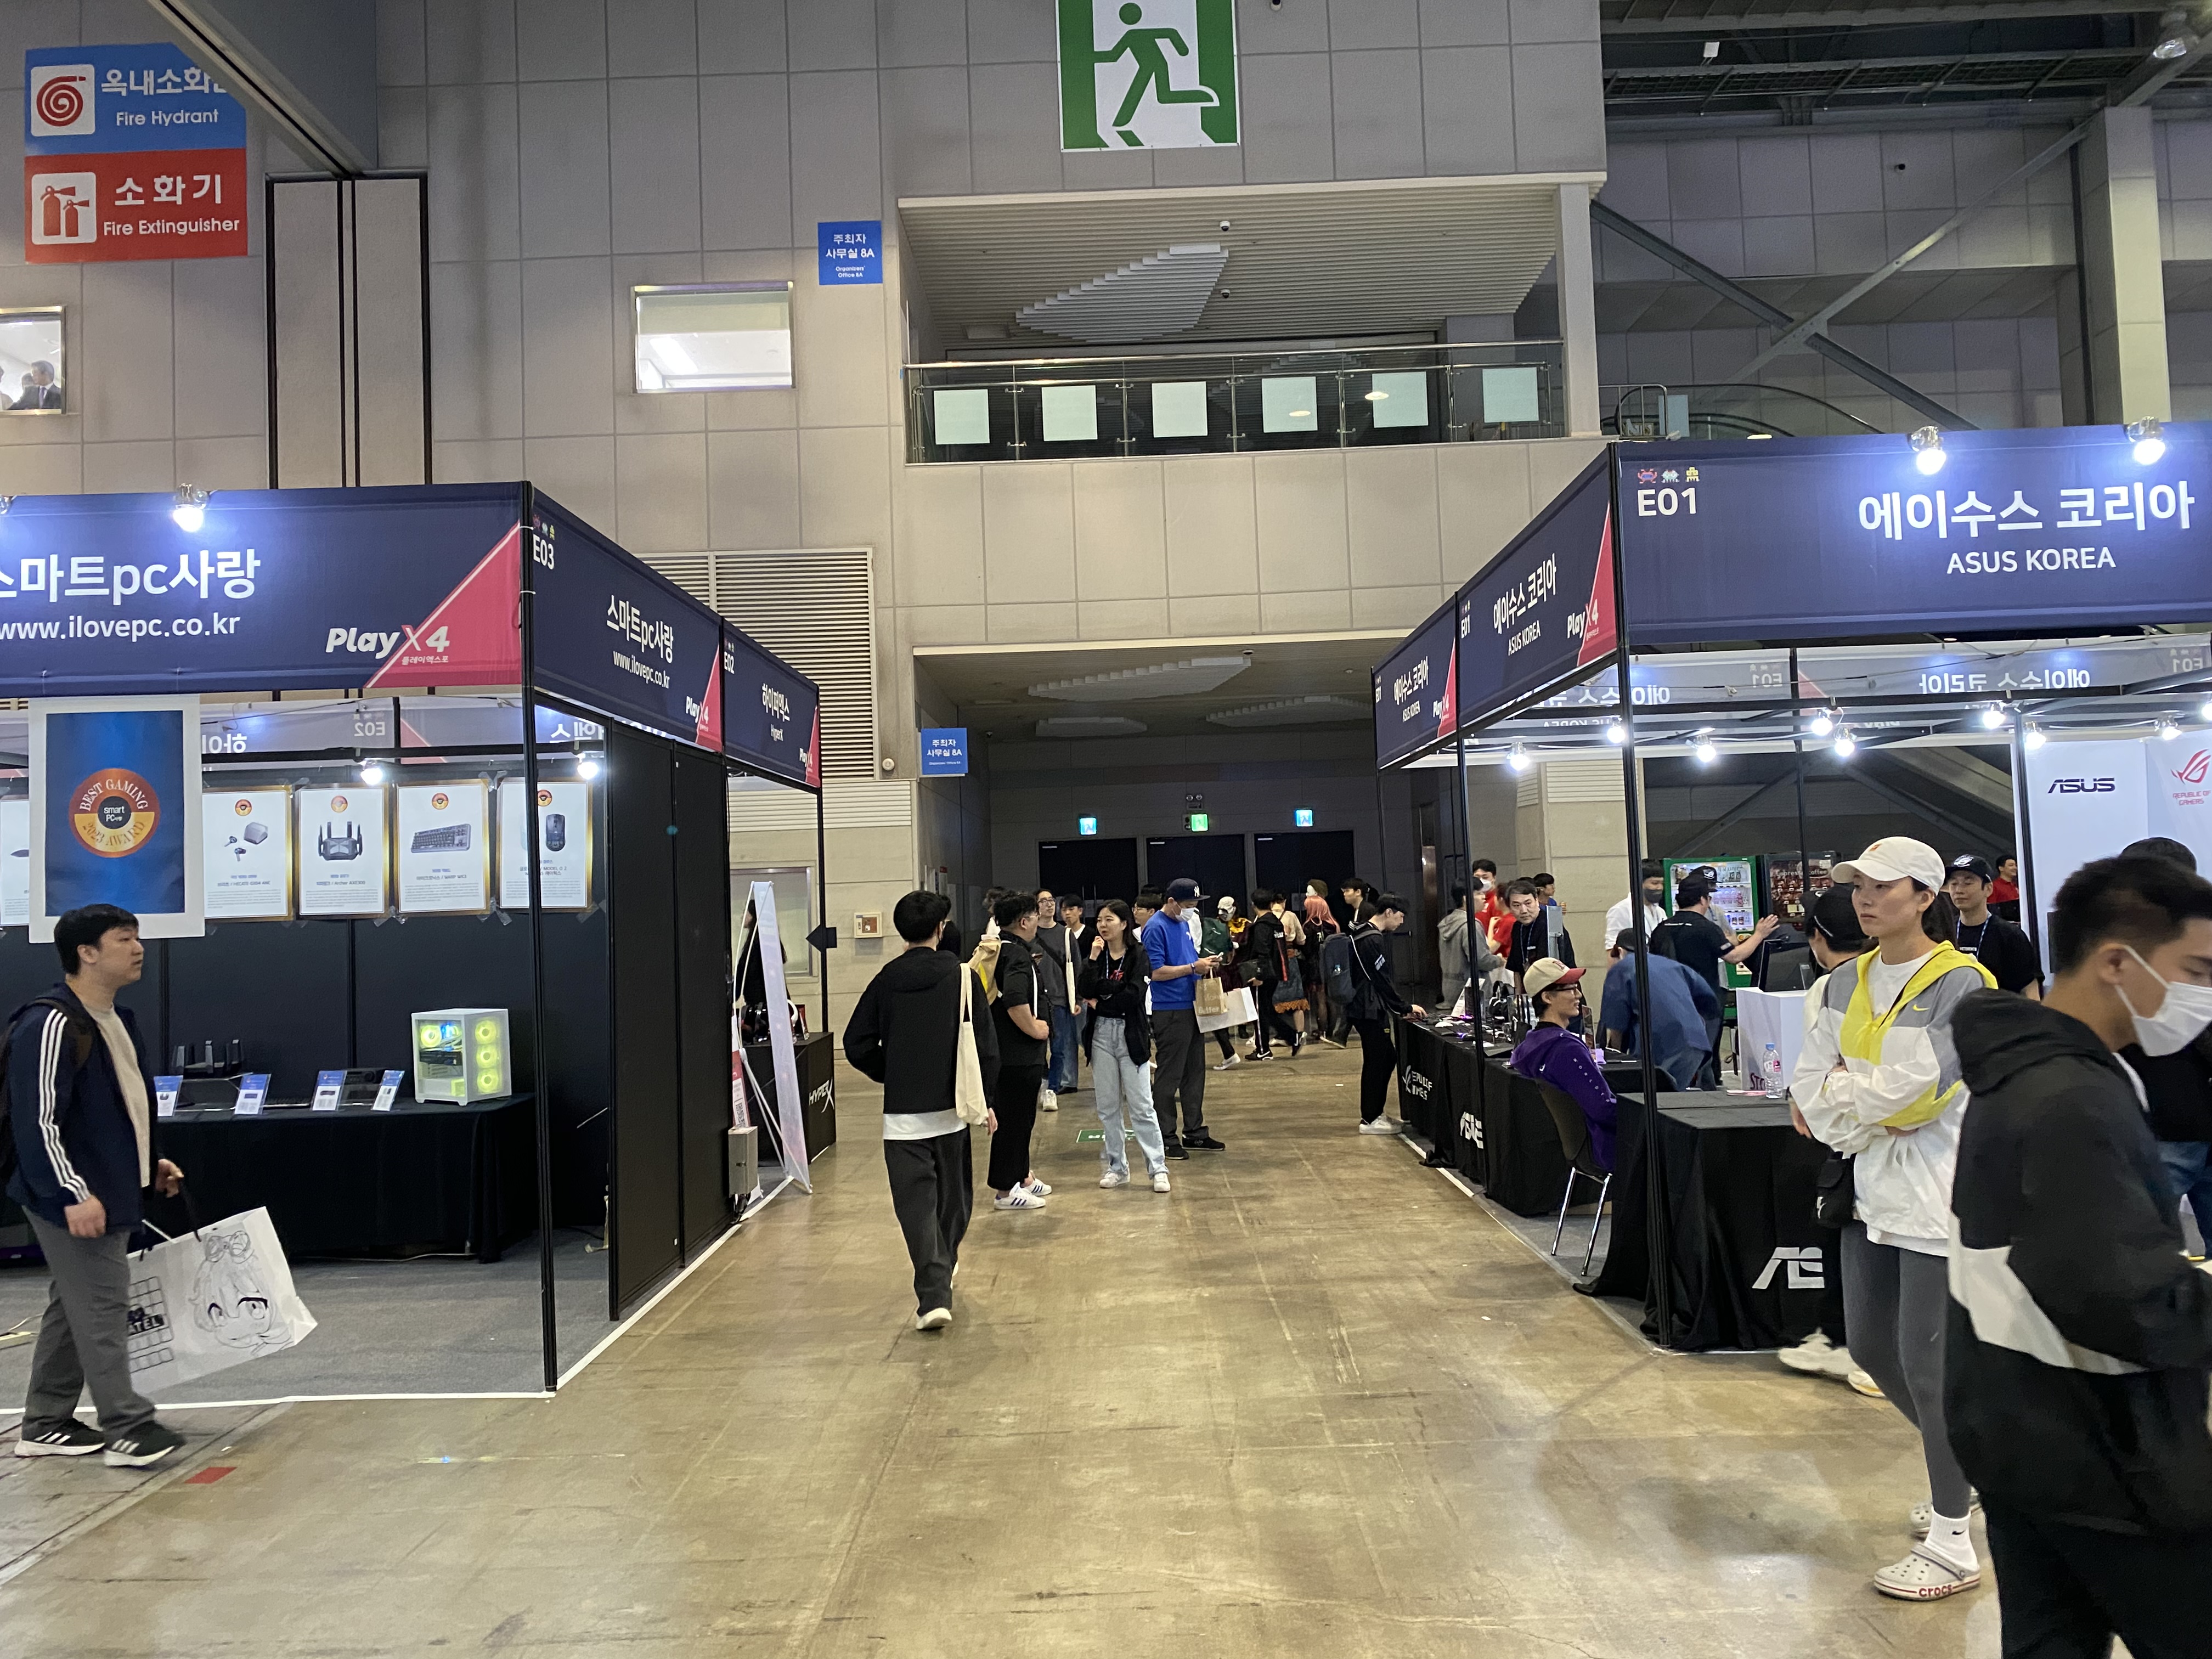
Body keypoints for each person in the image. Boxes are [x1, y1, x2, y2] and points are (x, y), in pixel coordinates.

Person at [1946, 854, 2212, 1658]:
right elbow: (2117, 1296)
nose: (2204, 993)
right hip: (2104, 1451)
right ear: (2117, 963)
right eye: (2197, 971)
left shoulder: (2027, 1066)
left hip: (2017, 1426)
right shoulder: (2069, 1098)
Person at [1790, 837, 1994, 1602]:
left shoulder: (1963, 984)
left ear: (1925, 897)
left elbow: (1928, 1093)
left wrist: (1853, 1095)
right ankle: (1975, 1470)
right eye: (1859, 888)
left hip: (1938, 1197)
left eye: (1884, 887)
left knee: (1929, 1367)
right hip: (1868, 1187)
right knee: (1874, 1350)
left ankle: (1953, 1542)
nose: (1866, 899)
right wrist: (1861, 1105)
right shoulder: (1843, 984)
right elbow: (1809, 1094)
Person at [6, 904, 187, 1466]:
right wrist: (71, 1194)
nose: (138, 948)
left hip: (109, 1187)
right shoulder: (52, 1023)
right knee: (103, 1305)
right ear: (86, 953)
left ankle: (46, 1422)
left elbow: (124, 1105)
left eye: (137, 937)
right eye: (123, 939)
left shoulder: (117, 1019)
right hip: (71, 1194)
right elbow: (38, 1122)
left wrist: (150, 1161)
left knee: (75, 1302)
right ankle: (127, 1426)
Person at [842, 890, 997, 1330]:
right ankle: (940, 1276)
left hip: (902, 1118)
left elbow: (856, 1043)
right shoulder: (962, 977)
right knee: (954, 1204)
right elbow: (986, 1047)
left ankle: (933, 1295)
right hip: (952, 1112)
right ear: (940, 929)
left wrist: (891, 1072)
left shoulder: (886, 979)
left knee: (916, 1209)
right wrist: (987, 1101)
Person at [1774, 885, 1883, 1398]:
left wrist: (1816, 1098)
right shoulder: (1881, 977)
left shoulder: (1831, 988)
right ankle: (1845, 1338)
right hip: (1874, 1131)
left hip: (1857, 1137)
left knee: (1857, 1236)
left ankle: (1860, 1347)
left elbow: (1820, 1074)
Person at [2114, 838, 2212, 1255]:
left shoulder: (2115, 948)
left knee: (2141, 1259)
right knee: (2142, 1258)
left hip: (2159, 1124)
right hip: (2158, 1123)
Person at [1079, 901, 1170, 1193]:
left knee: (1142, 1105)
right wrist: (1093, 959)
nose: (1103, 925)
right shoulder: (1098, 954)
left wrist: (1102, 998)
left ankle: (1158, 1168)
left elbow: (1133, 995)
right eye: (1100, 920)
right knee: (1108, 1107)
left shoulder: (1139, 954)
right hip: (1100, 1035)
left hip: (1130, 1033)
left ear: (1124, 923)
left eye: (1110, 919)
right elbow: (1084, 989)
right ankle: (1117, 1167)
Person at [1509, 959, 1617, 1170]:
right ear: (1547, 997)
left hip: (1571, 1149)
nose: (1578, 995)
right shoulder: (1567, 1049)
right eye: (1570, 989)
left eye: (1577, 988)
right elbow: (1604, 1110)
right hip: (1602, 1149)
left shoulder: (1529, 1045)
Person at [1142, 877, 1224, 1157]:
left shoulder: (1183, 924)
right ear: (1171, 902)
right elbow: (1156, 972)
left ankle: (1195, 1132)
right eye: (1188, 905)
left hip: (1192, 1005)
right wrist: (1192, 968)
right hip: (1170, 1009)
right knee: (1170, 1075)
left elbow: (1189, 960)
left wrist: (1205, 965)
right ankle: (1166, 1137)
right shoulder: (1155, 928)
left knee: (1194, 1073)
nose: (1192, 910)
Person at [984, 892, 1053, 1211]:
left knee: (1022, 1119)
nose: (1039, 921)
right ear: (1024, 922)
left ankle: (1022, 1176)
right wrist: (1035, 1028)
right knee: (1014, 1121)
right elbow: (1014, 999)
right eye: (1035, 916)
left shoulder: (1002, 949)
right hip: (1017, 1054)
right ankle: (1004, 1190)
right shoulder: (1016, 955)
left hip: (1008, 1052)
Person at [1346, 893, 1429, 1135]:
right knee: (1380, 1059)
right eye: (1401, 916)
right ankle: (1370, 1119)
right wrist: (1404, 1007)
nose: (1402, 922)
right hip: (1367, 1008)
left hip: (1365, 1006)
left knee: (1383, 1058)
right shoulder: (1372, 939)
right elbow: (1380, 980)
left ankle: (1375, 1114)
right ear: (1389, 912)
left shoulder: (1362, 932)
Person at [1598, 928, 1719, 1092]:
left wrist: (1616, 1061)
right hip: (1697, 1041)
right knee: (1685, 1099)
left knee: (1658, 1101)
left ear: (1619, 951)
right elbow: (1710, 1002)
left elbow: (1616, 1026)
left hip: (1662, 1047)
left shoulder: (1621, 969)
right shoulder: (1672, 965)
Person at [1650, 873, 1777, 998]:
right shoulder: (1706, 928)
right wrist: (1759, 934)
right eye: (1709, 897)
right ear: (1703, 900)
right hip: (1701, 997)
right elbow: (1735, 957)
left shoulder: (1661, 928)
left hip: (1667, 996)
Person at [1944, 855, 2041, 998]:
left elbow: (2030, 989)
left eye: (1968, 883)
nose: (1959, 890)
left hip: (2001, 1011)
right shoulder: (1944, 932)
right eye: (1954, 884)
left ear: (1988, 889)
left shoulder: (2010, 935)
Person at [1032, 890, 1083, 1110]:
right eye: (1043, 901)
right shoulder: (1030, 934)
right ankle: (1045, 1080)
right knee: (1037, 1048)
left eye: (1051, 901)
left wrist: (1077, 998)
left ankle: (1052, 1089)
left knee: (1059, 1047)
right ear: (1036, 906)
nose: (1049, 905)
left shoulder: (1065, 934)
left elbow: (1077, 967)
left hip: (1060, 999)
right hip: (1036, 1001)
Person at [1239, 890, 1299, 1060]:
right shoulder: (1276, 923)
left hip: (1262, 975)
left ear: (1253, 905)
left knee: (1259, 1012)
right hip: (1276, 972)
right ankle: (1291, 1037)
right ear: (1271, 904)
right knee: (1267, 1011)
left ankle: (1263, 1049)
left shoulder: (1262, 926)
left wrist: (1259, 975)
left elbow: (1263, 952)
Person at [1500, 879, 1572, 983]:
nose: (1524, 910)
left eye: (1528, 903)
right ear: (1510, 908)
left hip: (1556, 984)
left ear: (1537, 901)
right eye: (1517, 905)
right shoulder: (1518, 927)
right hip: (1528, 985)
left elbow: (1550, 967)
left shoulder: (1550, 924)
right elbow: (1515, 968)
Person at [1604, 860, 1669, 951]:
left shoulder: (1660, 911)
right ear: (1639, 883)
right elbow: (1612, 947)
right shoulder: (1621, 910)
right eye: (1655, 883)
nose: (1660, 888)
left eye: (1662, 884)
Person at [1990, 854, 2022, 923]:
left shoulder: (2018, 886)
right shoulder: (1994, 887)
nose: (2015, 868)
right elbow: (1992, 910)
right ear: (2001, 868)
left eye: (2016, 865)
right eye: (2011, 865)